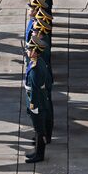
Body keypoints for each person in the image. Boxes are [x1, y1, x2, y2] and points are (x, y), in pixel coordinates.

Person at [24, 35, 52, 163]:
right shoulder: (37, 62)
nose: (28, 51)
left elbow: (35, 88)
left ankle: (39, 154)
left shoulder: (36, 68)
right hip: (38, 100)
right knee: (37, 129)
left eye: (30, 49)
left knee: (39, 130)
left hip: (37, 102)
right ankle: (36, 151)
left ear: (35, 51)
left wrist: (33, 104)